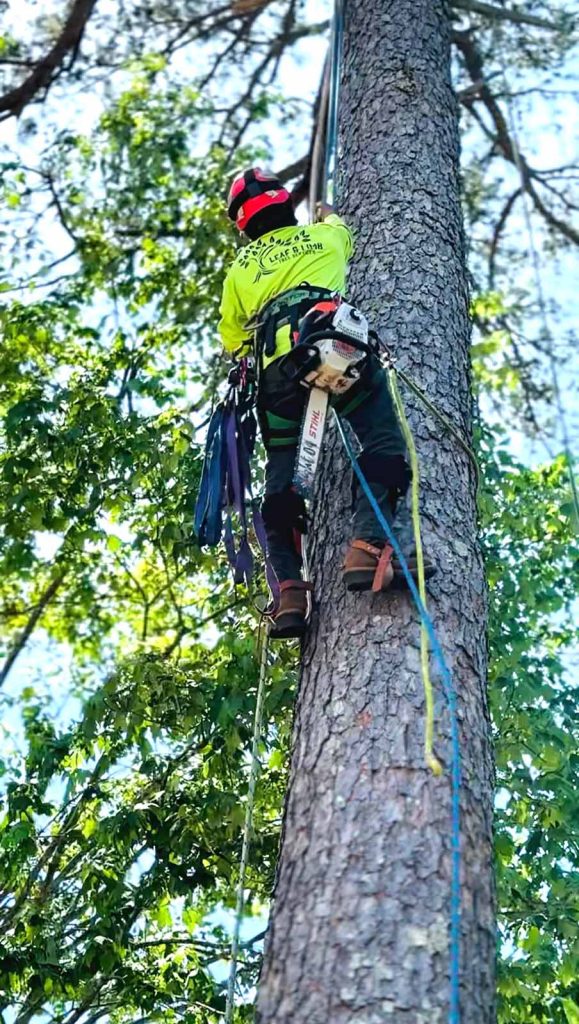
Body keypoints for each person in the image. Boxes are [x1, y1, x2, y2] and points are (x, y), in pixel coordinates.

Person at [218, 167, 413, 639]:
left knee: (282, 479)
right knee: (381, 436)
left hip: (276, 378)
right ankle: (367, 550)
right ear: (287, 206)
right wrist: (326, 215)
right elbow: (341, 230)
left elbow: (233, 337)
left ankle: (288, 591)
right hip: (333, 349)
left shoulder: (241, 270)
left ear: (244, 226)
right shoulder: (324, 236)